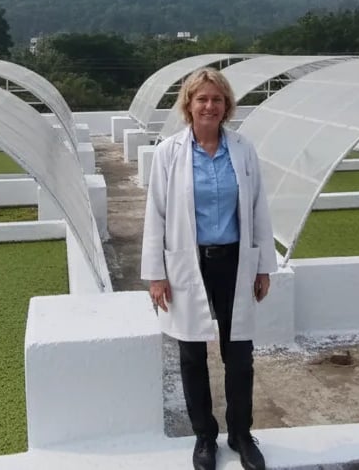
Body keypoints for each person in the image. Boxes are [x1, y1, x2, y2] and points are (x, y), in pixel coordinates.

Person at [141, 68, 277, 470]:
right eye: (201, 98)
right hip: (188, 263)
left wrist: (263, 267)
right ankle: (204, 436)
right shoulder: (169, 152)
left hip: (235, 261)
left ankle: (240, 434)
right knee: (191, 354)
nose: (209, 106)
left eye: (217, 99)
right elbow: (156, 214)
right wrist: (156, 274)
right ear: (188, 104)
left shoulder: (243, 150)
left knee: (240, 356)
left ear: (226, 105)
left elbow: (258, 208)